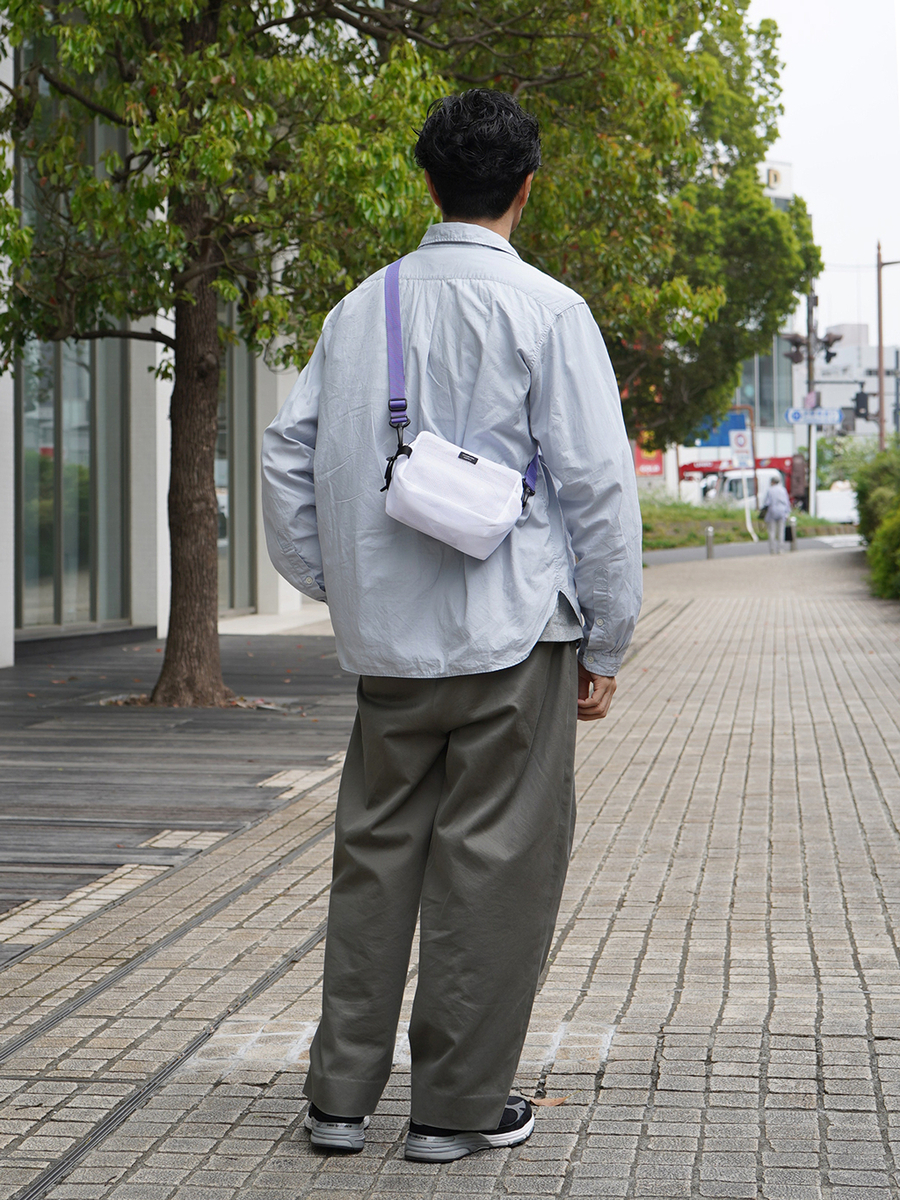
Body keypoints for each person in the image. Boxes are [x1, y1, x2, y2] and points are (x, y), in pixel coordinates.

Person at [260, 89, 642, 1162]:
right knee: (493, 863)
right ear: (527, 187)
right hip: (517, 638)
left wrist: (331, 577)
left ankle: (337, 1099)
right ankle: (458, 1111)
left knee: (374, 857)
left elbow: (287, 454)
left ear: (428, 182)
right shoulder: (548, 312)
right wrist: (608, 641)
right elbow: (599, 489)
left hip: (390, 651)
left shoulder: (354, 309)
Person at [762, 474, 792, 554]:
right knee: (781, 531)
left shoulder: (770, 490)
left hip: (772, 512)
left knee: (772, 531)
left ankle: (772, 550)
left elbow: (766, 502)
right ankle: (780, 549)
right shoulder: (783, 490)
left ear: (772, 482)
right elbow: (787, 502)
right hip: (782, 512)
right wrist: (787, 513)